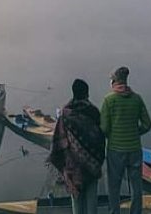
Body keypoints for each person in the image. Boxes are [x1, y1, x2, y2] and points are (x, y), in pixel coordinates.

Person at [48, 79, 106, 214]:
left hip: (72, 166)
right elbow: (100, 137)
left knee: (76, 203)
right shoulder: (93, 111)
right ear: (87, 93)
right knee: (92, 203)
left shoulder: (65, 113)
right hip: (92, 164)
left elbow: (58, 140)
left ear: (73, 93)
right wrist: (97, 159)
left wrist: (63, 163)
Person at [100, 66, 151, 214]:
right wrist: (135, 133)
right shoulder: (137, 99)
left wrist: (112, 135)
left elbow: (103, 128)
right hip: (135, 149)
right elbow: (148, 124)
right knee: (137, 186)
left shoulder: (109, 100)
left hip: (115, 150)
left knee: (114, 186)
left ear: (114, 82)